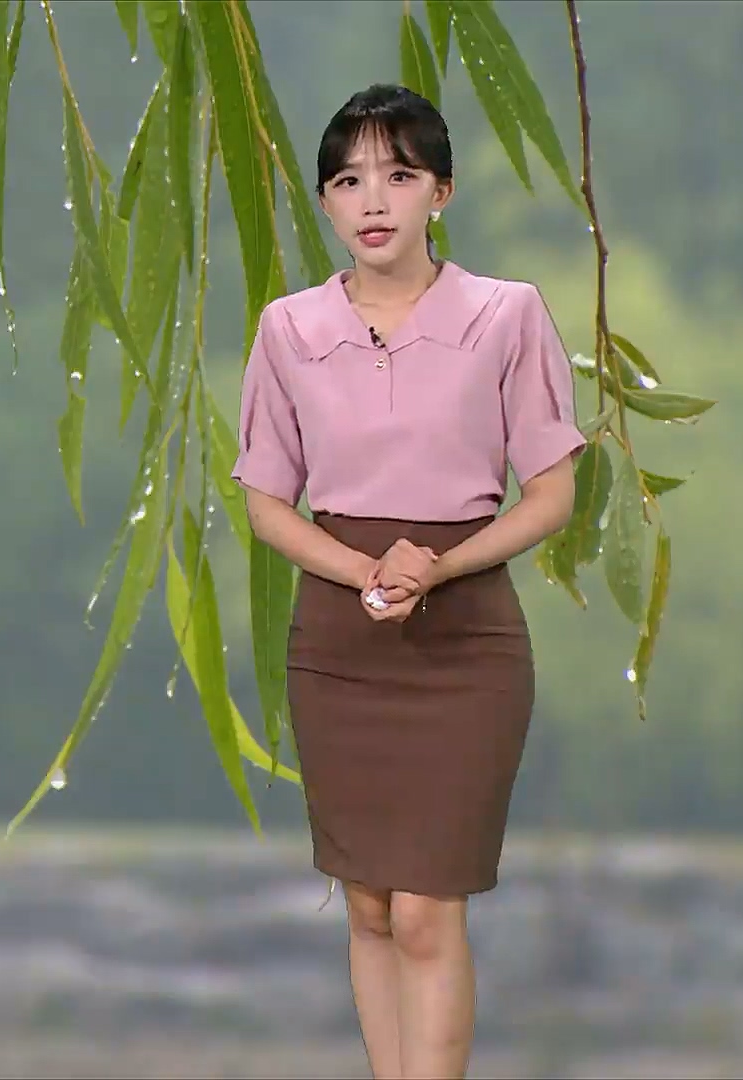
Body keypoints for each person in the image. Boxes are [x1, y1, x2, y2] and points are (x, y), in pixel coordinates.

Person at [230, 83, 585, 1079]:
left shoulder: (507, 316)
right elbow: (267, 503)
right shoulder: (288, 330)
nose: (374, 200)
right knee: (372, 906)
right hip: (341, 645)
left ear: (442, 191)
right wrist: (364, 573)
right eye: (348, 181)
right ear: (325, 202)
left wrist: (440, 566)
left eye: (400, 174)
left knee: (427, 908)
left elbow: (551, 496)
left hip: (465, 642)